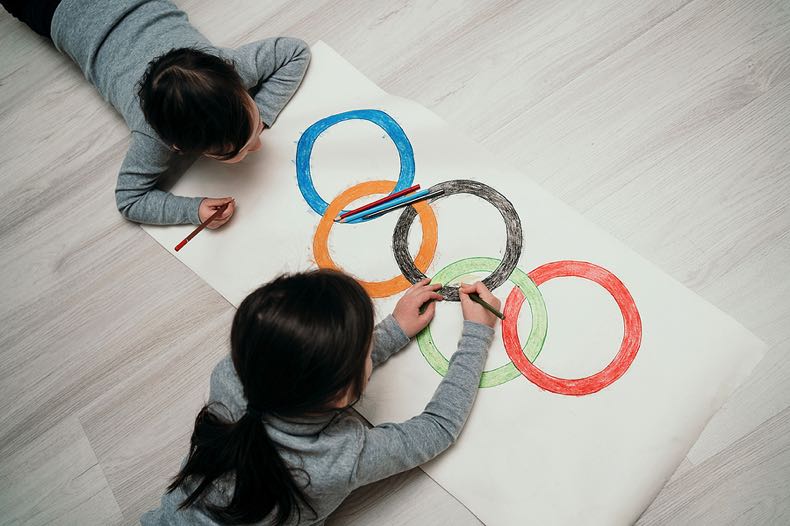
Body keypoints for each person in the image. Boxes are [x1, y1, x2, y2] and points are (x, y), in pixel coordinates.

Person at [141, 269, 500, 525]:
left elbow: (304, 367)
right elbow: (439, 428)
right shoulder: (339, 458)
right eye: (364, 351)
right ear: (343, 394)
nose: (369, 348)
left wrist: (392, 331)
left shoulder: (230, 372)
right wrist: (476, 335)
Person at [1, 0, 310, 228]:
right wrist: (192, 210)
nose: (257, 144)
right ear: (179, 148)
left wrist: (264, 113)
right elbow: (129, 200)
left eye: (253, 125)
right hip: (53, 10)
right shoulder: (153, 137)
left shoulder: (231, 65)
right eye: (235, 152)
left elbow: (296, 52)